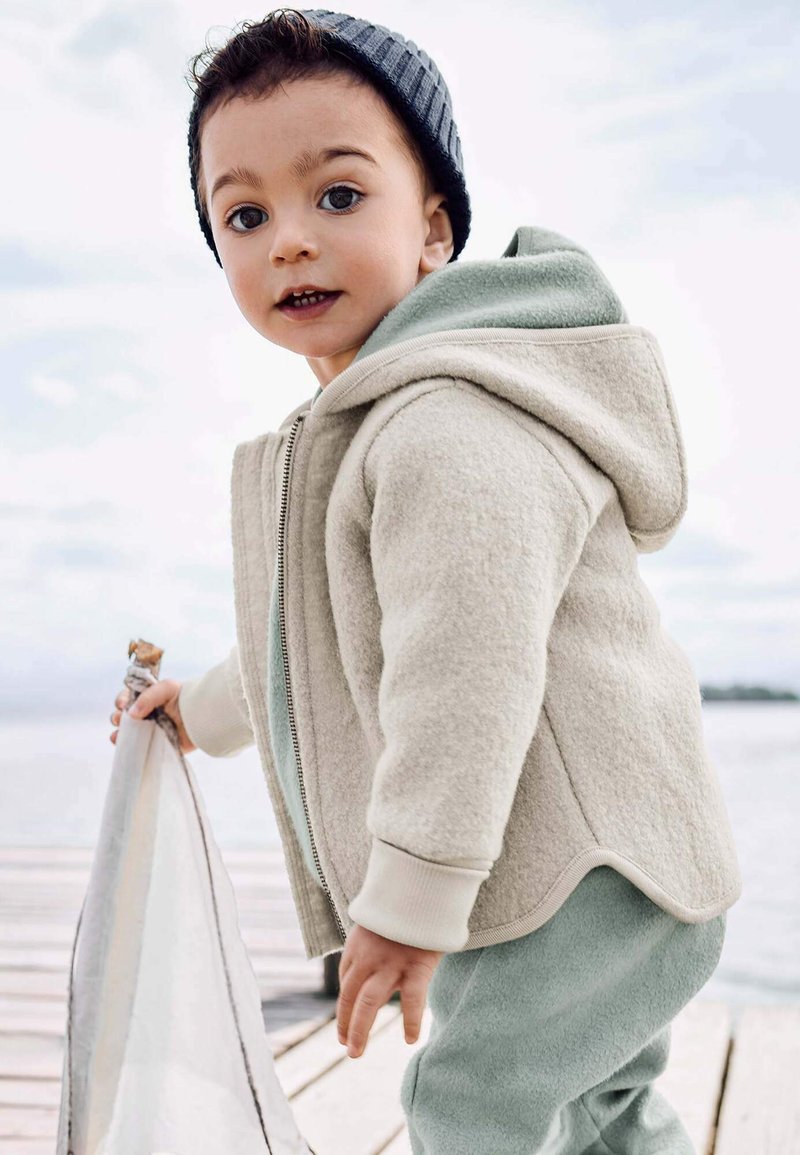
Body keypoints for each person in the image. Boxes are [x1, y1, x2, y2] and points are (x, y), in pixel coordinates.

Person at [109, 9, 742, 1153]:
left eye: (337, 195)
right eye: (245, 215)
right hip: (597, 863)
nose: (290, 242)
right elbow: (311, 645)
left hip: (582, 872)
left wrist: (406, 903)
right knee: (598, 1113)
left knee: (468, 1106)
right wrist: (195, 712)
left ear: (433, 228)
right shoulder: (370, 430)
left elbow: (463, 672)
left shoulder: (447, 423)